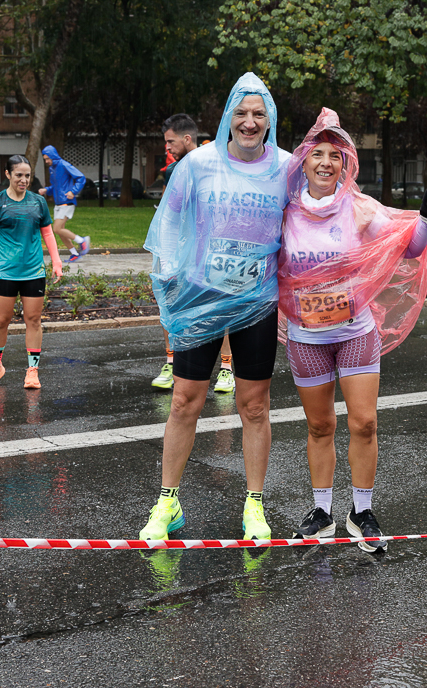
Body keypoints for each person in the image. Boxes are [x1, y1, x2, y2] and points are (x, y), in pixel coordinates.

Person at [277, 109, 427, 551]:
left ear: (345, 164)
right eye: (317, 154)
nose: (325, 163)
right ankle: (321, 513)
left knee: (365, 423)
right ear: (303, 162)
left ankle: (362, 511)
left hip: (355, 331)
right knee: (319, 426)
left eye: (334, 156)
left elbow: (408, 247)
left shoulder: (359, 208)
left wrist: (426, 218)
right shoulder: (285, 212)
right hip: (306, 337)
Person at [139, 73, 291, 542]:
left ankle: (254, 505)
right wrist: (170, 276)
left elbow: (319, 216)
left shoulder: (286, 168)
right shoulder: (199, 163)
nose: (249, 122)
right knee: (184, 400)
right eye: (241, 113)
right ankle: (167, 502)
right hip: (201, 297)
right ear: (228, 116)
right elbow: (168, 221)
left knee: (254, 406)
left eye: (258, 114)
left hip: (257, 302)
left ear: (269, 120)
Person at [150, 113, 235, 395]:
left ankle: (226, 368)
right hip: (179, 251)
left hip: (211, 252)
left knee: (221, 309)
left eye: (171, 142)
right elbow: (167, 214)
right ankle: (171, 363)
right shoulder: (173, 171)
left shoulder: (215, 166)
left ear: (188, 139)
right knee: (170, 305)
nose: (167, 147)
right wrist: (166, 255)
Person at [0, 155, 62, 389]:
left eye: (27, 176)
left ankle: (32, 371)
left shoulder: (38, 202)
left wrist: (56, 261)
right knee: (1, 320)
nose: (24, 180)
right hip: (5, 271)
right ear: (7, 175)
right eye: (19, 175)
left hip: (34, 271)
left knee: (33, 320)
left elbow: (48, 233)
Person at [38, 145, 90, 263]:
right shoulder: (53, 168)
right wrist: (46, 190)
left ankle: (82, 241)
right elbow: (55, 186)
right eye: (45, 159)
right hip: (59, 203)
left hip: (67, 202)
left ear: (53, 156)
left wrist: (73, 191)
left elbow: (81, 178)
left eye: (47, 159)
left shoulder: (64, 165)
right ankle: (75, 253)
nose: (46, 161)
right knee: (60, 230)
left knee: (57, 229)